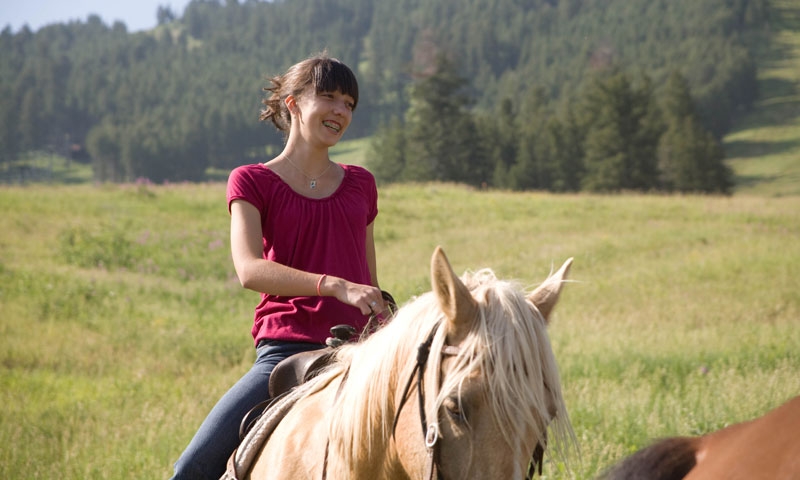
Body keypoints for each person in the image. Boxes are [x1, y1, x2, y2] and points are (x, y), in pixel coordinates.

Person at [171, 53, 386, 480]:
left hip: (359, 354)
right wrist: (334, 286)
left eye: (349, 103)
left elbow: (369, 281)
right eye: (328, 97)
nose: (341, 111)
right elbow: (250, 269)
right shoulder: (251, 180)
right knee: (191, 468)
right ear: (292, 102)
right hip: (284, 352)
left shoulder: (362, 183)